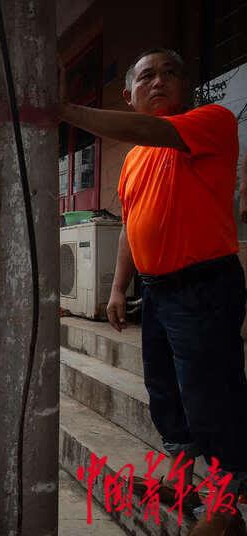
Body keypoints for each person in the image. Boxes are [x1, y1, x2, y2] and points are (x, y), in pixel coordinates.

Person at [59, 48, 247, 531]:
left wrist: (65, 112)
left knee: (211, 395)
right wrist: (119, 288)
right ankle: (184, 484)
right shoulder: (133, 160)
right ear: (129, 94)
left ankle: (227, 508)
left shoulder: (212, 121)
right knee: (165, 392)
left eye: (170, 74)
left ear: (185, 86)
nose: (159, 82)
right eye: (147, 76)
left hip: (204, 284)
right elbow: (128, 226)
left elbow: (148, 129)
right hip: (159, 291)